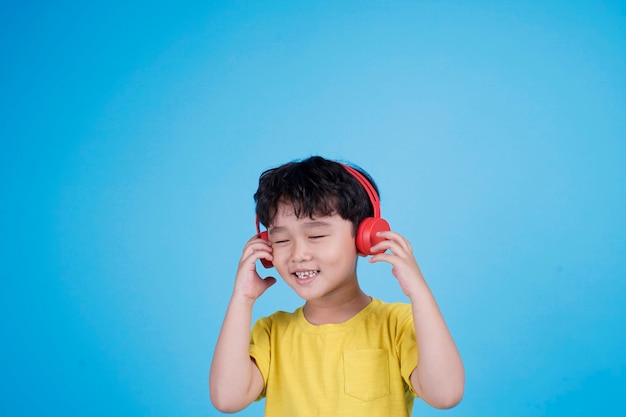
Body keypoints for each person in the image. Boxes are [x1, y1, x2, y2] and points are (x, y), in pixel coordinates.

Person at [209, 156, 464, 416]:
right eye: (282, 240)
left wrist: (420, 294)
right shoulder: (272, 333)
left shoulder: (397, 325)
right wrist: (242, 299)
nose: (298, 254)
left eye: (317, 235)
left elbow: (445, 394)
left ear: (366, 237)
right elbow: (227, 399)